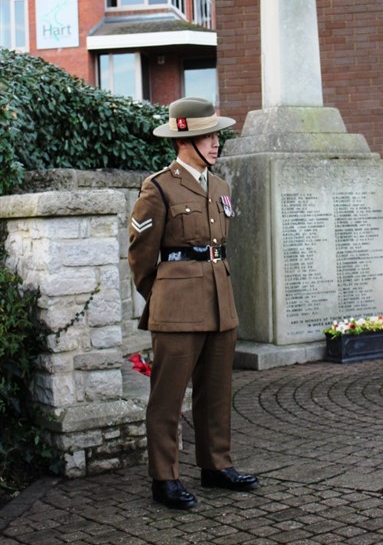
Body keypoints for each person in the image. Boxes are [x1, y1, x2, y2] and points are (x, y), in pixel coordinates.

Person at [128, 97, 259, 510]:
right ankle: (164, 479)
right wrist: (163, 295)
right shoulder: (159, 187)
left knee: (216, 390)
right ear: (185, 141)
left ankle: (215, 466)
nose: (217, 142)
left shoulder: (219, 186)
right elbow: (140, 255)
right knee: (167, 397)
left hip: (220, 299)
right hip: (177, 304)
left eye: (217, 134)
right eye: (209, 135)